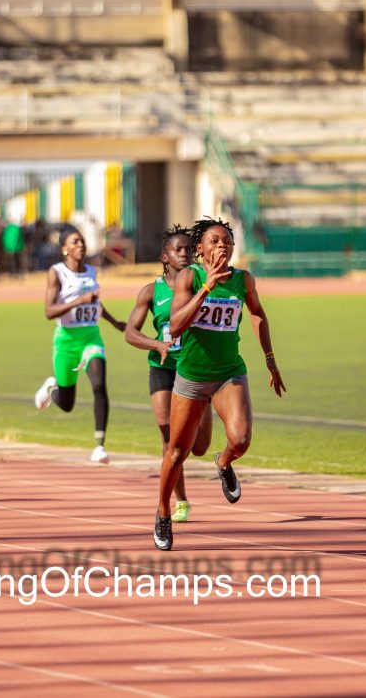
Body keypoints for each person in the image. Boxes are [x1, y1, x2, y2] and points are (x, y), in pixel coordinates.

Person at [153, 217, 286, 550]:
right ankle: (162, 512)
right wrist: (206, 288)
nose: (222, 246)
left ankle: (224, 461)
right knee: (178, 451)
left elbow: (257, 314)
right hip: (192, 377)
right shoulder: (189, 277)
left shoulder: (243, 280)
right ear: (200, 249)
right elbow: (178, 325)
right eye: (215, 241)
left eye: (227, 241)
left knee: (240, 440)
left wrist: (270, 359)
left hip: (229, 374)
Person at [125, 224, 213, 523]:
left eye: (189, 248)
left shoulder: (203, 284)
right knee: (168, 435)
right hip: (163, 367)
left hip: (196, 369)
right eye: (178, 249)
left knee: (199, 447)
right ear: (165, 256)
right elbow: (129, 332)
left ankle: (206, 405)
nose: (185, 253)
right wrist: (157, 344)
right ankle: (181, 501)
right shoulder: (151, 291)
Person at [34, 227, 126, 463]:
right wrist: (79, 300)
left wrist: (115, 322)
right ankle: (52, 388)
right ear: (65, 248)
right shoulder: (57, 273)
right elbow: (49, 311)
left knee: (99, 384)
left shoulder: (92, 272)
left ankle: (100, 445)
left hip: (90, 338)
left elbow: (95, 304)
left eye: (83, 242)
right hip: (66, 341)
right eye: (75, 242)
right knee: (66, 404)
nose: (81, 246)